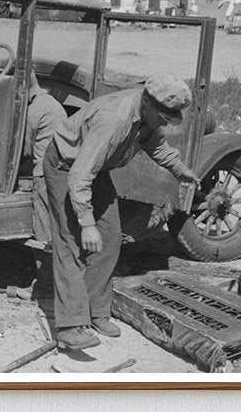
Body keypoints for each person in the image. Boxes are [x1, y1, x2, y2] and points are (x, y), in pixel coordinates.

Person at [43, 72, 200, 351]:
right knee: (71, 242)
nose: (165, 123)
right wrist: (87, 223)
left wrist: (181, 171)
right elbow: (79, 176)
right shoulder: (113, 121)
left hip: (96, 168)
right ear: (149, 103)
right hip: (66, 167)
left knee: (111, 238)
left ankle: (94, 311)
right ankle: (69, 327)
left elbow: (157, 145)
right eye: (164, 117)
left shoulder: (148, 116)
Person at [24, 72, 67, 250]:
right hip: (60, 171)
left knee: (43, 232)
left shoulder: (33, 110)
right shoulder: (55, 105)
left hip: (42, 174)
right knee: (59, 225)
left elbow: (26, 151)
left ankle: (45, 276)